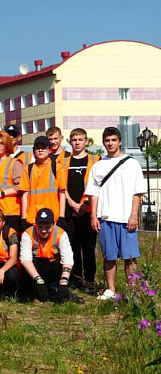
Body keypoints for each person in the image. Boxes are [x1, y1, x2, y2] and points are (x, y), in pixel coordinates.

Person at [86, 126, 147, 301]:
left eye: (113, 140)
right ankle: (110, 289)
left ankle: (133, 291)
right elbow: (94, 193)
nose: (110, 143)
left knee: (130, 257)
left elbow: (137, 192)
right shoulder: (98, 166)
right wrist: (94, 215)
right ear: (103, 143)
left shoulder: (132, 164)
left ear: (120, 141)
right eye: (107, 140)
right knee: (109, 256)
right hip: (106, 217)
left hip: (126, 217)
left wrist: (133, 215)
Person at [62, 128, 100, 292]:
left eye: (80, 139)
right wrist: (72, 203)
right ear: (70, 142)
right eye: (74, 139)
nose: (77, 142)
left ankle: (89, 281)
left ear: (86, 141)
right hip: (70, 212)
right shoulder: (64, 162)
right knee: (72, 248)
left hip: (88, 211)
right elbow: (61, 187)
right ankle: (76, 279)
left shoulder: (95, 160)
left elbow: (97, 186)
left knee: (89, 249)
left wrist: (84, 205)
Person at [19, 208, 83, 303]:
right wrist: (38, 280)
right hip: (37, 270)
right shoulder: (27, 234)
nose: (44, 231)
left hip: (54, 268)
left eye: (47, 227)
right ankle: (31, 291)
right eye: (40, 227)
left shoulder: (61, 234)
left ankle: (60, 289)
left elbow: (68, 259)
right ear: (35, 224)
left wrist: (64, 280)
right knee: (25, 266)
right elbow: (25, 259)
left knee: (68, 265)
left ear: (54, 224)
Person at [20, 136, 67, 233]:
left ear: (49, 150)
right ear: (33, 151)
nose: (40, 150)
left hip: (52, 219)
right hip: (33, 219)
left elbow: (62, 193)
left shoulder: (57, 167)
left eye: (43, 147)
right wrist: (23, 217)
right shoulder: (28, 169)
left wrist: (62, 216)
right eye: (37, 147)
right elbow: (25, 195)